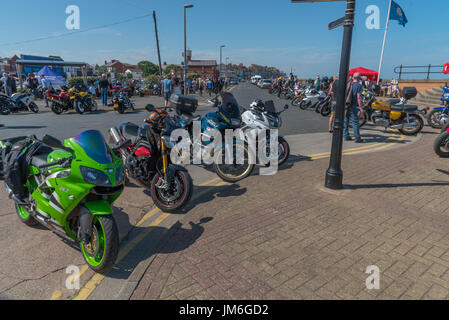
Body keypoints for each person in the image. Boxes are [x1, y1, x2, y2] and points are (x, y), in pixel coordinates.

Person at [344, 72, 365, 143]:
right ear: (359, 78)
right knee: (355, 122)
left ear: (353, 77)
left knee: (346, 120)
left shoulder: (348, 83)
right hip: (353, 105)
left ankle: (346, 135)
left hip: (346, 104)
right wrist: (361, 108)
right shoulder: (359, 86)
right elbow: (359, 98)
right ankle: (357, 138)